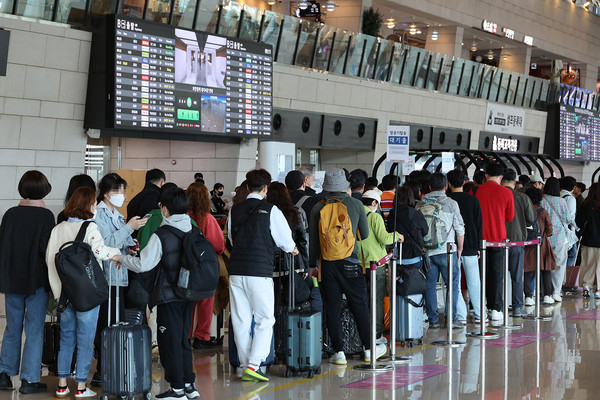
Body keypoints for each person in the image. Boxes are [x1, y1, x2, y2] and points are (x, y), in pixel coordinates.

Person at [119, 188, 201, 400]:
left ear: (165, 208)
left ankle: (176, 388)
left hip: (168, 295)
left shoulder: (162, 235)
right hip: (189, 292)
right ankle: (189, 385)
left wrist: (121, 259)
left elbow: (143, 264)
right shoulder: (193, 230)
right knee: (183, 338)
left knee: (168, 341)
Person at [45, 187, 121, 398]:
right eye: (94, 204)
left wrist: (58, 290)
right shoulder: (90, 228)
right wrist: (117, 254)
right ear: (88, 205)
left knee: (66, 337)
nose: (95, 207)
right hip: (86, 294)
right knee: (85, 339)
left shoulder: (57, 229)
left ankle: (62, 385)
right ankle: (80, 387)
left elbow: (50, 262)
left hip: (64, 294)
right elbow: (101, 252)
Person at [309, 168, 385, 365]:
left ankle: (338, 352)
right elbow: (365, 235)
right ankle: (369, 349)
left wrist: (312, 265)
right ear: (345, 186)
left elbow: (314, 242)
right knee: (359, 306)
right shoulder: (356, 204)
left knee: (332, 308)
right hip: (351, 263)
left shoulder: (318, 207)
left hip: (327, 265)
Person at [227, 169, 298, 382]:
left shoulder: (235, 210)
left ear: (247, 187)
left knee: (240, 319)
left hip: (236, 271)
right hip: (260, 273)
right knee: (265, 319)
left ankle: (245, 363)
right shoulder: (271, 210)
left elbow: (232, 239)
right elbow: (286, 241)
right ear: (266, 189)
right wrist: (293, 249)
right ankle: (254, 364)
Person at [0, 171, 54, 394]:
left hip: (12, 279)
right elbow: (46, 250)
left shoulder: (10, 214)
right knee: (34, 329)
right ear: (43, 190)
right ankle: (29, 379)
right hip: (36, 281)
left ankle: (4, 374)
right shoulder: (45, 216)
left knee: (12, 327)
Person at [92, 173, 147, 386]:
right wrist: (129, 228)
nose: (121, 195)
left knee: (117, 322)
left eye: (122, 190)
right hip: (107, 275)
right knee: (107, 324)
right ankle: (102, 369)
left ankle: (111, 366)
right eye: (117, 191)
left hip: (119, 274)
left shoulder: (116, 214)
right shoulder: (100, 214)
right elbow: (104, 244)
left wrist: (130, 245)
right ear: (105, 193)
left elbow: (118, 242)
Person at [418, 173, 465, 328]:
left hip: (428, 253)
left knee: (430, 285)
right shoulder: (451, 203)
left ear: (430, 187)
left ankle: (433, 320)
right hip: (447, 250)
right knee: (452, 284)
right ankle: (451, 319)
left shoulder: (420, 204)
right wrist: (460, 248)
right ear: (446, 186)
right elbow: (459, 228)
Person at [358, 190, 403, 342]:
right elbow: (384, 238)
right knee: (376, 299)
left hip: (359, 262)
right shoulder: (374, 216)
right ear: (374, 203)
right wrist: (397, 235)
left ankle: (362, 331)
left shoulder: (355, 214)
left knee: (362, 300)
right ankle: (376, 333)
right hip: (376, 263)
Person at [187, 182, 225, 349]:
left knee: (187, 303)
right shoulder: (208, 219)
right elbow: (219, 245)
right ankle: (202, 337)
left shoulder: (183, 217)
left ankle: (185, 336)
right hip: (205, 268)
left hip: (186, 266)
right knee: (206, 301)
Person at [476, 163, 515, 321]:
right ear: (501, 177)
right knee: (498, 274)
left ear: (486, 175)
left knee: (483, 274)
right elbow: (510, 217)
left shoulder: (477, 191)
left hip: (481, 240)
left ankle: (482, 306)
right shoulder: (506, 192)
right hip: (499, 239)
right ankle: (496, 308)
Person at [446, 169, 484, 323]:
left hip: (451, 248)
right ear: (463, 182)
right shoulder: (473, 200)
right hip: (471, 248)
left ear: (448, 184)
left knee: (454, 283)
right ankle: (480, 315)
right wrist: (478, 247)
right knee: (474, 283)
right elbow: (479, 225)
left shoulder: (447, 200)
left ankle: (461, 316)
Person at [501, 168, 536, 318]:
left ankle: (498, 307)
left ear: (501, 180)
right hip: (517, 240)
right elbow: (531, 218)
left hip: (497, 241)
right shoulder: (522, 198)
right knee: (517, 275)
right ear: (515, 182)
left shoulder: (497, 196)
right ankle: (517, 307)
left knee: (498, 275)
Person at [541, 177, 573, 303]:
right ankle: (556, 292)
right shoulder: (561, 201)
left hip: (544, 239)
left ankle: (545, 292)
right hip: (560, 238)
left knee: (545, 266)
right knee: (559, 266)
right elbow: (567, 219)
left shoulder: (541, 200)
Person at [524, 187, 556, 305]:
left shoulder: (524, 210)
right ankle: (547, 295)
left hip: (527, 244)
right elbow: (549, 231)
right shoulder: (543, 212)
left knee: (526, 270)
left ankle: (528, 297)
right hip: (542, 245)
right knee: (545, 270)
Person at [267, 182, 309, 271]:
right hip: (292, 260)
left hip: (269, 261)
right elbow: (302, 241)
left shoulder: (266, 213)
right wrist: (305, 264)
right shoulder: (295, 213)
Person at [576, 183, 600, 299]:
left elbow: (579, 223)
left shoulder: (586, 205)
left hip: (588, 240)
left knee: (588, 263)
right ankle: (598, 290)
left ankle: (586, 286)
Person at [559, 176, 578, 267]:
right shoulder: (570, 199)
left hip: (557, 230)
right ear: (574, 187)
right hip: (568, 232)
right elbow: (570, 218)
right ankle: (566, 276)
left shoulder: (557, 195)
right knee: (572, 255)